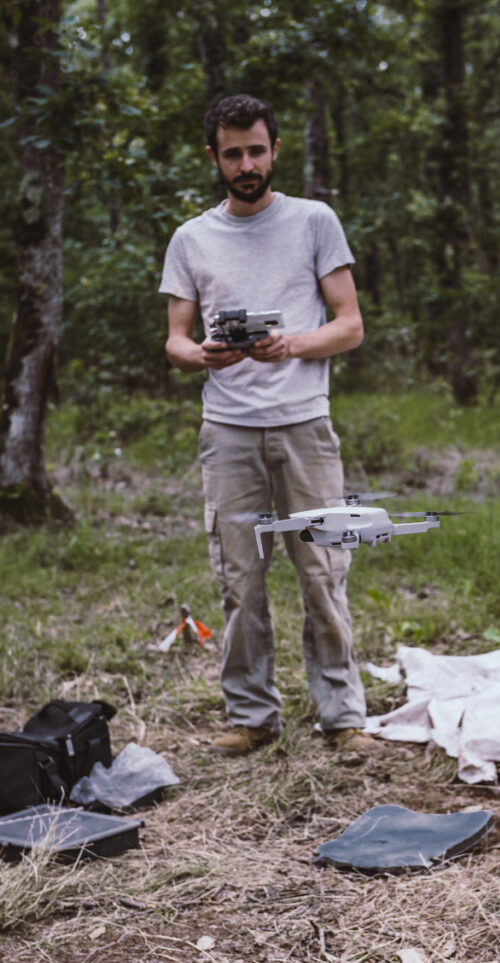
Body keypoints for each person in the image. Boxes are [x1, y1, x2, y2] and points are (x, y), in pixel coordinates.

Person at [159, 93, 381, 757]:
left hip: (304, 424)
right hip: (227, 430)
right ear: (214, 158)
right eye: (233, 153)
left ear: (276, 149)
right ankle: (252, 716)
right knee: (239, 578)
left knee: (321, 569)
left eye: (257, 150)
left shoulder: (314, 221)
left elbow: (351, 325)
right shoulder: (192, 237)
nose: (247, 163)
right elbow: (173, 339)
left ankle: (342, 719)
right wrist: (201, 352)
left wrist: (292, 345)